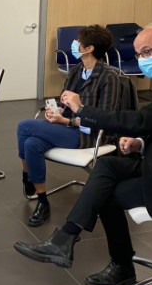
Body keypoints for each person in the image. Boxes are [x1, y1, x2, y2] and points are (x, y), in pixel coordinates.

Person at [14, 23, 152, 285]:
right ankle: (64, 240)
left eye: (146, 52)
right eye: (138, 54)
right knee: (107, 166)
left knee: (106, 194)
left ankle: (119, 264)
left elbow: (141, 119)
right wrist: (139, 143)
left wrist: (82, 110)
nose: (142, 59)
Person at [17, 25, 120, 227]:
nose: (75, 44)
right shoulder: (76, 70)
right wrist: (56, 112)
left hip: (89, 134)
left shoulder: (109, 78)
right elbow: (64, 103)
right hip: (68, 128)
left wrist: (67, 121)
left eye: (79, 42)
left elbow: (104, 119)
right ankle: (42, 201)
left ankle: (27, 178)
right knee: (31, 144)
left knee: (24, 126)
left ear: (89, 48)